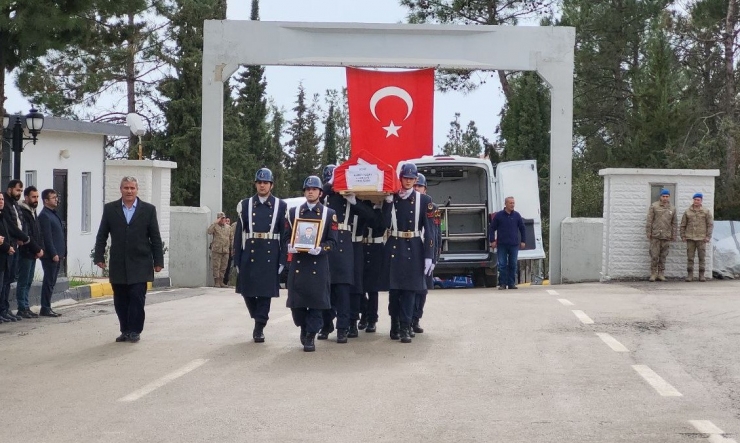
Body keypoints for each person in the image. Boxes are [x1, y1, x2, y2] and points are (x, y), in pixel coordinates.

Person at [94, 176, 164, 343]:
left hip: (140, 262)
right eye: (126, 188)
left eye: (132, 188)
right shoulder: (111, 209)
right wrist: (99, 256)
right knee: (120, 299)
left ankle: (135, 330)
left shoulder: (148, 210)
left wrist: (158, 261)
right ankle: (124, 329)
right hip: (119, 262)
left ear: (137, 190)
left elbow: (155, 237)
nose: (129, 191)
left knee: (137, 297)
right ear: (121, 189)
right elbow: (102, 234)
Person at [233, 167, 289, 343]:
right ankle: (257, 315)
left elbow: (285, 236)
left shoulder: (281, 205)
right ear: (255, 184)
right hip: (249, 252)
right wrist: (236, 258)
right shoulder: (245, 204)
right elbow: (238, 234)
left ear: (271, 185)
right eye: (259, 182)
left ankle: (259, 327)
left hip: (270, 253)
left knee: (265, 294)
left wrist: (283, 259)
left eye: (266, 183)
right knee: (247, 292)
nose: (262, 185)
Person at [319, 164, 373, 343]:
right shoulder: (325, 196)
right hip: (326, 243)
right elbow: (315, 197)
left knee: (343, 289)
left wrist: (354, 201)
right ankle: (326, 324)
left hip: (345, 244)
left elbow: (370, 217)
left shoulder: (351, 196)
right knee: (325, 289)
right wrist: (329, 185)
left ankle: (343, 327)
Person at [381, 163, 434, 343]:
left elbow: (430, 231)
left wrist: (429, 255)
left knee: (410, 291)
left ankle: (406, 326)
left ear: (416, 179)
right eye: (406, 178)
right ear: (401, 178)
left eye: (412, 178)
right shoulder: (391, 197)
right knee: (395, 291)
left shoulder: (424, 201)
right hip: (394, 245)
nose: (409, 181)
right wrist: (387, 204)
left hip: (414, 246)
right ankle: (394, 324)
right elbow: (382, 224)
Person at [286, 175, 337, 352]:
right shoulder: (293, 213)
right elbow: (286, 237)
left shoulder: (329, 214)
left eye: (314, 189)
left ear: (320, 193)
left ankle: (311, 336)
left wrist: (321, 249)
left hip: (317, 264)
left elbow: (333, 242)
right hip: (299, 264)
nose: (310, 192)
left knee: (315, 304)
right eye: (308, 189)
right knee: (297, 305)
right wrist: (289, 246)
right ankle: (303, 326)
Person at [411, 173, 441, 334]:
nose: (416, 189)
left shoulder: (433, 208)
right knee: (411, 289)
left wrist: (435, 256)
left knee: (423, 290)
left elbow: (437, 233)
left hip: (427, 252)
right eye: (415, 186)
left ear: (425, 189)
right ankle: (408, 318)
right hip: (413, 252)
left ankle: (416, 319)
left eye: (419, 186)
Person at [0, 179, 30, 322]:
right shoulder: (6, 205)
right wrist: (24, 238)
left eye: (21, 191)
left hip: (13, 247)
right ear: (10, 189)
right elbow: (10, 228)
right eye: (18, 190)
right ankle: (2, 310)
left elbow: (19, 223)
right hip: (6, 249)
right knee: (4, 281)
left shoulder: (14, 204)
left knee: (9, 279)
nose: (19, 193)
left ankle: (5, 309)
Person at [16, 186, 45, 318]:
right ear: (26, 197)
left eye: (37, 197)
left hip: (33, 253)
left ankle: (26, 306)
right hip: (25, 252)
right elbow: (26, 234)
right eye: (33, 197)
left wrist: (40, 249)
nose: (36, 199)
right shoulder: (23, 212)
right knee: (23, 281)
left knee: (29, 281)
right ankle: (22, 307)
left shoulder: (33, 212)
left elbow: (38, 232)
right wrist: (37, 249)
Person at [37, 189, 65, 317]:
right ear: (46, 201)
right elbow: (47, 237)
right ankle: (45, 307)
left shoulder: (54, 214)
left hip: (58, 253)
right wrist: (53, 253)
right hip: (50, 255)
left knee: (52, 281)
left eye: (56, 197)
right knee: (49, 281)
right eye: (53, 198)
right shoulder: (44, 215)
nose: (56, 199)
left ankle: (48, 306)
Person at [488, 196, 526, 290]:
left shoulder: (517, 215)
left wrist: (523, 241)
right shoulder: (499, 216)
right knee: (502, 265)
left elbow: (522, 228)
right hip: (502, 244)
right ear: (505, 204)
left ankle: (511, 283)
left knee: (513, 264)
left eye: (513, 203)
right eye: (510, 203)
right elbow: (492, 228)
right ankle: (502, 284)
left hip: (514, 244)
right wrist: (492, 240)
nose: (512, 205)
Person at [680, 192, 713, 282]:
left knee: (702, 257)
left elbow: (710, 224)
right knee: (690, 258)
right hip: (690, 238)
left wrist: (708, 236)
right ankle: (690, 275)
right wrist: (683, 235)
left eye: (698, 200)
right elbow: (683, 224)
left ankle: (701, 275)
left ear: (701, 201)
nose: (696, 201)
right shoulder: (687, 211)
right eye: (695, 199)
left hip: (701, 238)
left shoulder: (706, 211)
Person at [646, 188, 677, 282]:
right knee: (654, 255)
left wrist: (674, 235)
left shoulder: (672, 208)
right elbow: (649, 220)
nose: (665, 198)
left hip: (666, 236)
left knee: (663, 256)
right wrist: (648, 232)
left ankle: (661, 273)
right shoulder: (654, 206)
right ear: (660, 196)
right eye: (663, 196)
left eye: (667, 196)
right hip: (655, 235)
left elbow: (674, 223)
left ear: (669, 197)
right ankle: (653, 273)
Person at [0, 194, 18, 324]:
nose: (1, 201)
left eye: (2, 199)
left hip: (5, 257)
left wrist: (9, 246)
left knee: (4, 286)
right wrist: (7, 247)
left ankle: (3, 310)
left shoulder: (3, 216)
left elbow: (8, 234)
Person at [207, 212, 231, 288]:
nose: (223, 220)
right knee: (216, 266)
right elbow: (209, 231)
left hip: (225, 250)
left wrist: (232, 247)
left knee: (224, 267)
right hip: (217, 249)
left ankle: (221, 281)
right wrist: (215, 223)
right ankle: (216, 282)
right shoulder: (215, 226)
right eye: (221, 218)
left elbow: (231, 237)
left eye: (224, 218)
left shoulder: (228, 227)